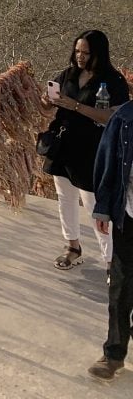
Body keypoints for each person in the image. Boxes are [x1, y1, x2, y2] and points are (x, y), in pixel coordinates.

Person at [43, 30, 129, 271]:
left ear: (99, 54)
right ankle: (72, 246)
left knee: (95, 205)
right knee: (65, 198)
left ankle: (111, 260)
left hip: (94, 150)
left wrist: (77, 106)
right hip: (63, 145)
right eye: (77, 51)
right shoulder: (68, 74)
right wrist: (46, 102)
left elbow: (114, 116)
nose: (80, 57)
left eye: (86, 53)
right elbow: (47, 110)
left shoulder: (113, 81)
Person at [89, 99, 133, 380]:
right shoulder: (124, 118)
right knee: (121, 285)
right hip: (129, 213)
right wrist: (103, 207)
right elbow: (106, 161)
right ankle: (114, 354)